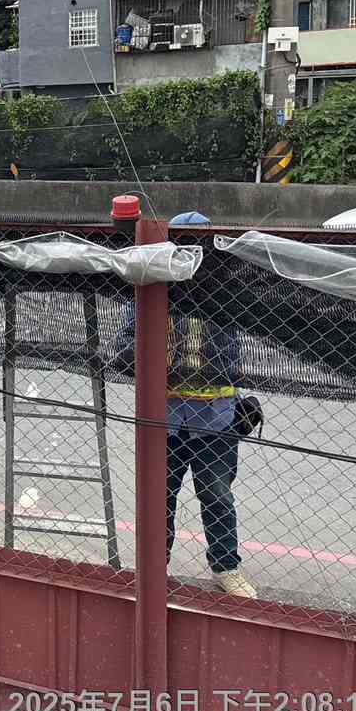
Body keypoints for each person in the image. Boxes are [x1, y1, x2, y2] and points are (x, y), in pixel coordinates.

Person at [110, 211, 256, 599]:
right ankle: (155, 567)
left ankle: (227, 566)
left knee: (217, 495)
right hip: (166, 419)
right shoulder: (151, 289)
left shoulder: (226, 299)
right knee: (159, 498)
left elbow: (231, 361)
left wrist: (175, 357)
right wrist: (151, 349)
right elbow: (122, 348)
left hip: (216, 419)